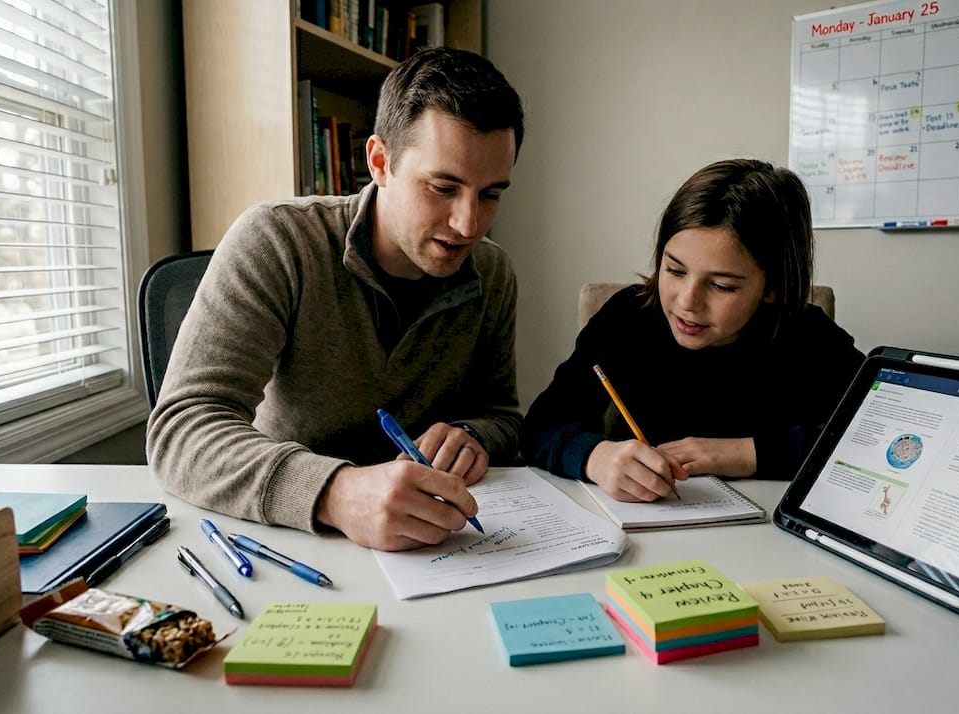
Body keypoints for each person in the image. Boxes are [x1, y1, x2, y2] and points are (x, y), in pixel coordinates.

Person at [147, 48, 525, 551]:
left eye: (491, 194)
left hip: (433, 544)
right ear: (380, 162)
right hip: (288, 541)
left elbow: (503, 416)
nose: (468, 223)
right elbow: (181, 431)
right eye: (442, 187)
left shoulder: (493, 273)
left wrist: (471, 435)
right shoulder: (278, 241)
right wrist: (337, 493)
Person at [520, 159, 863, 502]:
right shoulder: (628, 317)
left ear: (772, 286)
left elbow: (876, 437)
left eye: (722, 286)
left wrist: (746, 454)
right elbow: (540, 424)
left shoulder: (808, 336)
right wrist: (596, 457)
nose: (687, 302)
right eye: (675, 270)